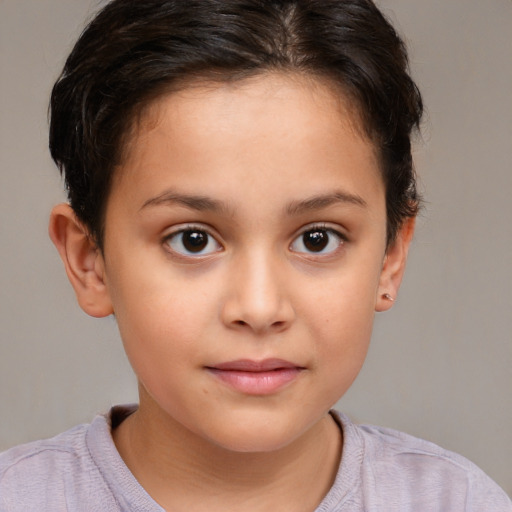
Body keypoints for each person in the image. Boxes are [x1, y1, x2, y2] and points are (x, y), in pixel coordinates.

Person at [0, 0, 510, 510]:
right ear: (91, 261)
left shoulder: (458, 501)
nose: (261, 308)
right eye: (193, 239)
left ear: (390, 256)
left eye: (317, 238)